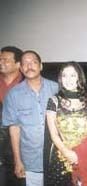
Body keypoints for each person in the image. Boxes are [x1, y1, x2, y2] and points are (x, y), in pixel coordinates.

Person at [2, 50, 58, 186]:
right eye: (25, 63)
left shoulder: (56, 88)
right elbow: (14, 128)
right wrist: (18, 161)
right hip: (31, 160)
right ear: (20, 68)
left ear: (41, 66)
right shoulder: (13, 95)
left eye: (33, 62)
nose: (29, 66)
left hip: (57, 157)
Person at [44, 62, 87, 186]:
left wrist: (80, 152)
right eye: (64, 76)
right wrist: (67, 152)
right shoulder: (54, 101)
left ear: (79, 77)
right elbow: (54, 134)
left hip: (85, 154)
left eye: (72, 75)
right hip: (61, 155)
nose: (68, 80)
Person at [0, 46, 24, 186]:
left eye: (5, 60)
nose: (1, 62)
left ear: (18, 64)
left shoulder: (27, 84)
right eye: (0, 59)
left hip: (20, 145)